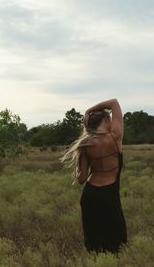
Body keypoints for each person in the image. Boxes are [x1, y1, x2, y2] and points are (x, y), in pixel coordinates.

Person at [61, 98, 127, 253]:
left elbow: (81, 179)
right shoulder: (115, 137)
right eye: (109, 118)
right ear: (105, 120)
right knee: (117, 243)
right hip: (110, 195)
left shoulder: (85, 145)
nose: (111, 121)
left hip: (90, 196)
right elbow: (114, 103)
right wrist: (89, 110)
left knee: (94, 245)